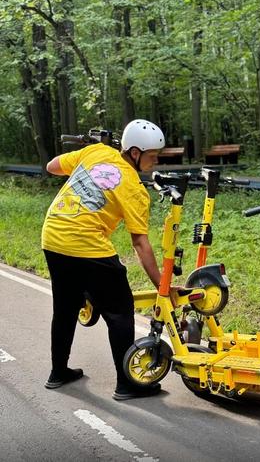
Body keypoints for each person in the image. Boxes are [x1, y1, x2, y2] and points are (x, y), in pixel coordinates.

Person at [42, 119, 171, 400]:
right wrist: (162, 284)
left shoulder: (96, 152)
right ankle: (127, 385)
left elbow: (52, 167)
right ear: (135, 153)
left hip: (53, 234)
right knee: (120, 311)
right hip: (86, 244)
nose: (155, 162)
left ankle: (58, 372)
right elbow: (140, 243)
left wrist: (92, 157)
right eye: (152, 156)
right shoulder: (135, 190)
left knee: (65, 308)